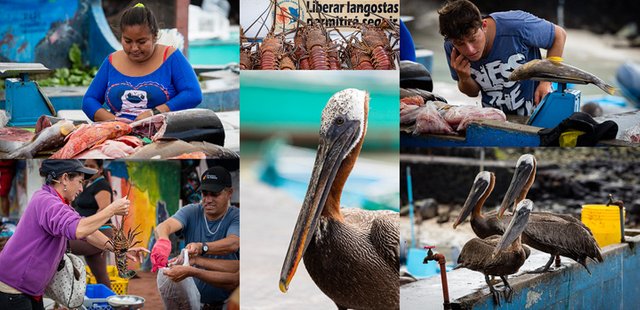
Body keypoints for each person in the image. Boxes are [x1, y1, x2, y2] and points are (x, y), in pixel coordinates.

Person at [0, 160, 148, 310]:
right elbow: (79, 230)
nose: (81, 188)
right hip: (15, 286)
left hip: (30, 287)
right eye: (79, 182)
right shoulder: (47, 202)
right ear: (64, 178)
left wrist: (120, 249)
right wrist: (111, 210)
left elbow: (88, 233)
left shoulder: (57, 202)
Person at [438, 0, 566, 116]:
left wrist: (546, 81)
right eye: (460, 44)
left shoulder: (517, 25)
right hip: (495, 118)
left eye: (473, 39)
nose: (470, 50)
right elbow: (473, 92)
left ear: (483, 25)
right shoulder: (451, 47)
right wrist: (464, 78)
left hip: (539, 111)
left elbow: (559, 35)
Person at [83, 3, 202, 122]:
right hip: (118, 135)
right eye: (128, 41)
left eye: (141, 42)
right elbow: (89, 100)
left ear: (154, 36)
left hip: (162, 135)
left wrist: (155, 112)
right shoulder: (112, 61)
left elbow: (193, 94)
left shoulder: (171, 57)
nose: (134, 48)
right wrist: (114, 121)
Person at [152, 166, 239, 309]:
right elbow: (163, 226)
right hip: (194, 303)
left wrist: (201, 247)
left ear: (229, 193)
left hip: (227, 303)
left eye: (214, 194)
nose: (208, 199)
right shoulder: (191, 211)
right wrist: (163, 240)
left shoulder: (236, 216)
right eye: (204, 193)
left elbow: (233, 243)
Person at [69, 159, 114, 289]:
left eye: (92, 166)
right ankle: (111, 303)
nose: (88, 168)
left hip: (100, 231)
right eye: (86, 165)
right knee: (101, 275)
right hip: (90, 231)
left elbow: (104, 211)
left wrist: (85, 225)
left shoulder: (102, 185)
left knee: (61, 244)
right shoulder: (87, 184)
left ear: (100, 169)